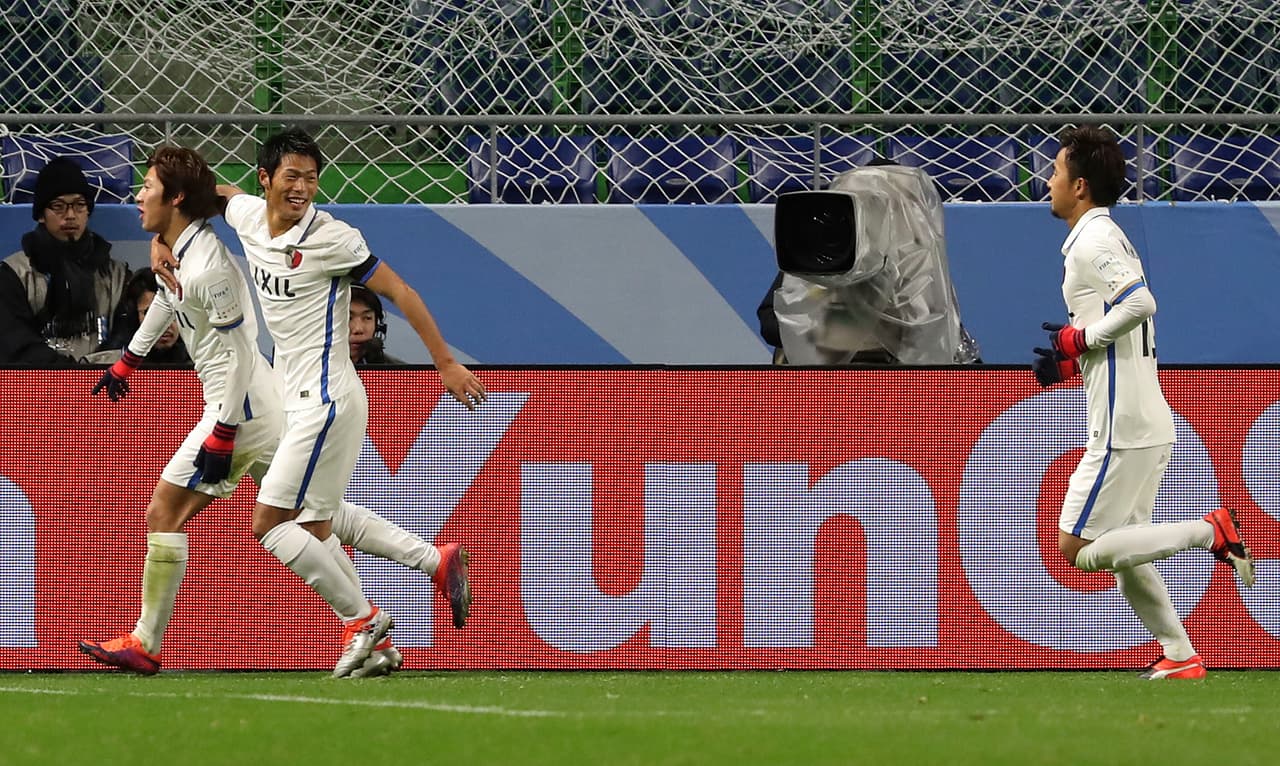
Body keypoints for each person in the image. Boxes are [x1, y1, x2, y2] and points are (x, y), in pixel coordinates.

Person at [77, 146, 460, 679]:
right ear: (266, 179)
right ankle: (423, 567)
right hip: (277, 398)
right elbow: (207, 218)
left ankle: (147, 641)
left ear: (175, 199)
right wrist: (131, 355)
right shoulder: (225, 228)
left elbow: (235, 355)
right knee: (316, 518)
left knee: (174, 514)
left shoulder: (218, 265)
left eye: (148, 189)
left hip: (249, 404)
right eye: (290, 175)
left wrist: (224, 430)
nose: (138, 195)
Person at [1031, 125, 1254, 680]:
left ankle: (1210, 532)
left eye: (1057, 172)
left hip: (1123, 423)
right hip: (1140, 415)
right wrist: (1070, 358)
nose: (1049, 180)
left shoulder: (1095, 240)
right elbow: (1117, 317)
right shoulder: (1103, 236)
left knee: (1077, 547)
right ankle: (1180, 655)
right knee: (1125, 549)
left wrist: (1081, 341)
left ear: (1080, 186)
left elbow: (1140, 303)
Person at [0, 156, 130, 367]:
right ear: (41, 214)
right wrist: (68, 375)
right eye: (58, 206)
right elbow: (14, 344)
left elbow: (128, 340)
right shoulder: (13, 274)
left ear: (88, 211)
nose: (70, 215)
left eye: (79, 205)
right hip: (37, 389)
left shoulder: (118, 275)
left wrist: (89, 374)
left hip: (105, 387)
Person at [350, 282, 404, 365]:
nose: (358, 329)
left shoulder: (398, 373)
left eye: (367, 318)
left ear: (377, 326)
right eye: (348, 318)